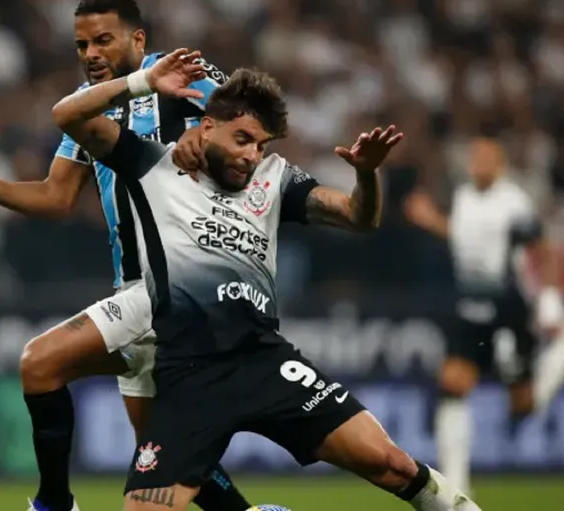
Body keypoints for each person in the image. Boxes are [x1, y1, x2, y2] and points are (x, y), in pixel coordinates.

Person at [51, 48, 483, 511]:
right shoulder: (153, 165)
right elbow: (67, 116)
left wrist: (366, 174)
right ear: (206, 126)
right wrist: (141, 83)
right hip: (188, 379)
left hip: (264, 362)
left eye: (260, 145)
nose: (251, 156)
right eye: (242, 139)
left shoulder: (275, 179)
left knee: (393, 464)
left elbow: (359, 217)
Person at [0, 0, 251, 511]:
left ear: (138, 39)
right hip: (135, 285)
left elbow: (254, 129)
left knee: (40, 362)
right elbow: (56, 197)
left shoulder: (184, 73)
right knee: (161, 453)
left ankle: (53, 504)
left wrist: (210, 144)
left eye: (103, 40)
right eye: (82, 45)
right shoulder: (87, 107)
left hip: (185, 281)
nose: (91, 53)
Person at [405, 137, 564, 495]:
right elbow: (464, 239)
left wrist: (549, 298)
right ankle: (456, 486)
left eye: (485, 158)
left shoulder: (513, 203)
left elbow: (543, 252)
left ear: (500, 165)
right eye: (474, 157)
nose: (477, 163)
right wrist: (431, 220)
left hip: (507, 307)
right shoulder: (463, 197)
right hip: (469, 304)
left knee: (523, 404)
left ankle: (557, 359)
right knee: (452, 386)